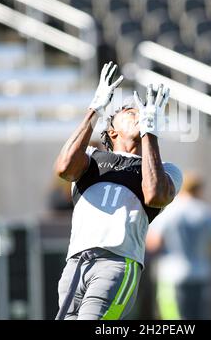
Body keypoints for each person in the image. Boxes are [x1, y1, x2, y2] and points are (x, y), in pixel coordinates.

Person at [54, 61, 183, 320]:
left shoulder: (167, 170)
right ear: (111, 130)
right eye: (128, 110)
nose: (138, 111)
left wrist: (150, 133)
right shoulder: (91, 158)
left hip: (116, 263)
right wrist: (95, 108)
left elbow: (155, 195)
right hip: (76, 265)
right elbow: (64, 168)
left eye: (140, 111)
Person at [146, 171, 211, 320]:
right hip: (202, 274)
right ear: (199, 189)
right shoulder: (207, 212)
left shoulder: (168, 210)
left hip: (172, 275)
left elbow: (153, 243)